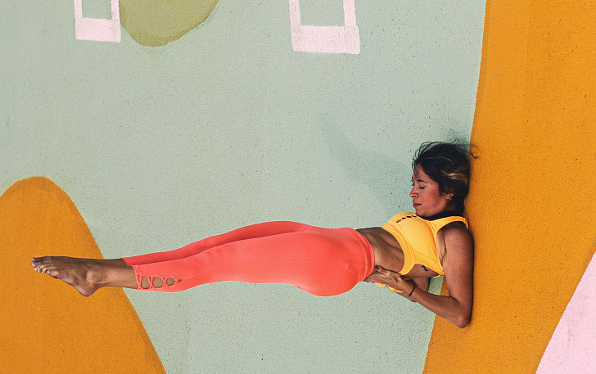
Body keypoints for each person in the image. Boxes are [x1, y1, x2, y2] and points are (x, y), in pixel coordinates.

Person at [31, 142, 474, 327]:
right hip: (327, 241)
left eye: (421, 186)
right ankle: (97, 269)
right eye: (413, 183)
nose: (412, 192)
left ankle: (97, 278)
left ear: (449, 192)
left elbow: (459, 312)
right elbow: (415, 268)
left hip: (334, 258)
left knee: (211, 264)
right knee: (207, 247)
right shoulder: (430, 223)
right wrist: (408, 282)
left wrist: (409, 291)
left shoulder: (454, 236)